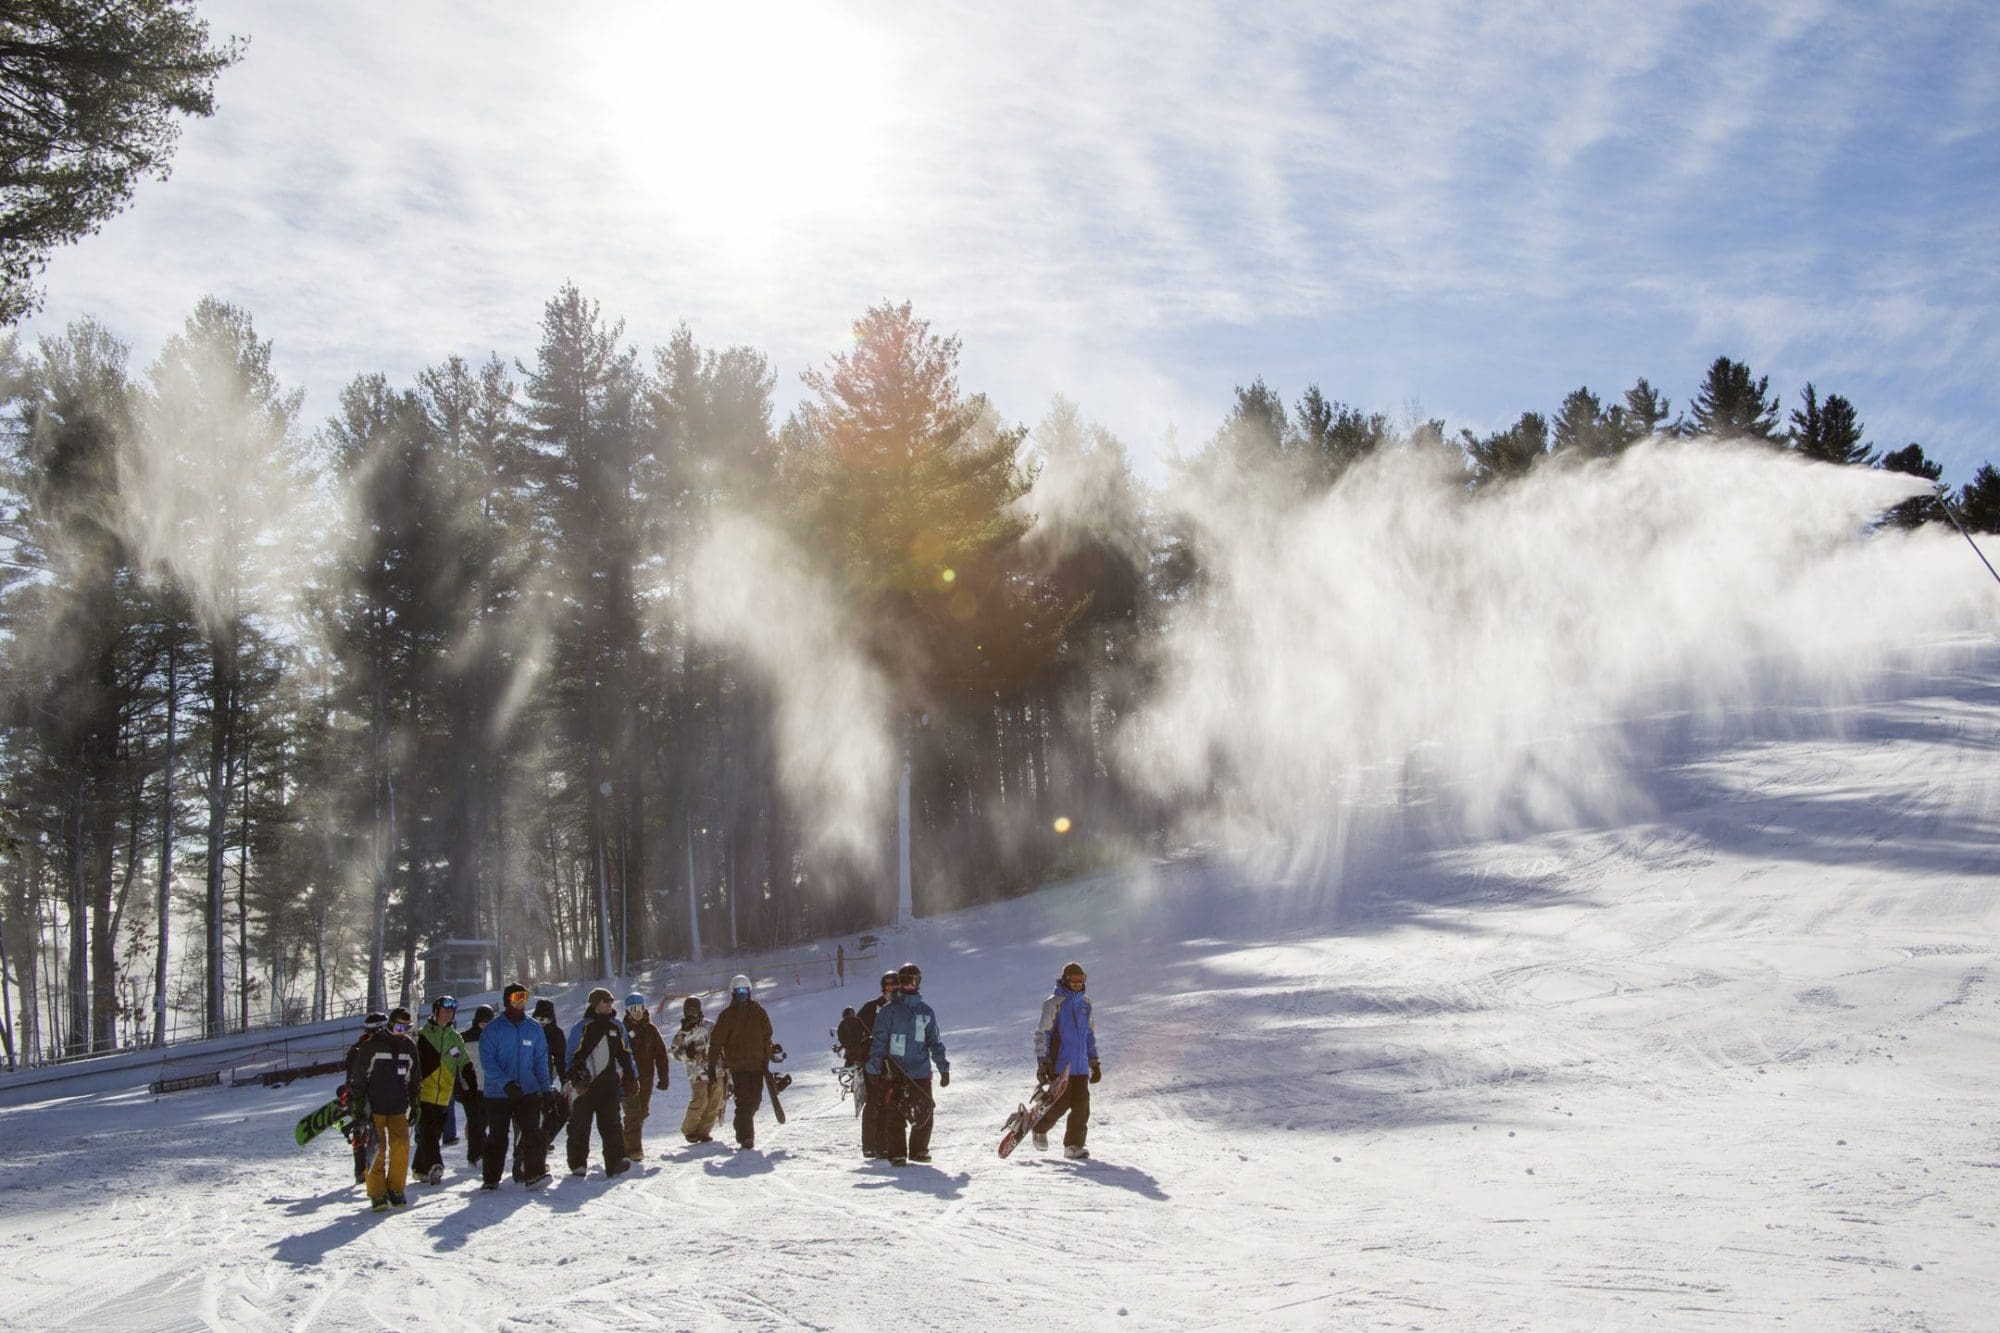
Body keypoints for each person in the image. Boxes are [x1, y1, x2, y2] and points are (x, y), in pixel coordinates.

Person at [866, 962, 949, 1166]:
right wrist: (874, 1067)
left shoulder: (925, 1012)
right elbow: (879, 1041)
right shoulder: (889, 1011)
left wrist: (943, 1067)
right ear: (900, 983)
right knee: (895, 1113)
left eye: (914, 980)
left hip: (919, 1070)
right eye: (905, 980)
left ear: (919, 982)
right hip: (896, 1070)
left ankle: (919, 1150)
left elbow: (934, 1042)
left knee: (925, 1109)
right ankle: (897, 1153)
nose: (909, 985)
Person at [479, 982, 553, 1190]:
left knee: (532, 1133)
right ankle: (491, 1178)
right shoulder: (494, 1029)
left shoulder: (534, 1028)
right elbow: (488, 1063)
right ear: (507, 1000)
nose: (521, 1002)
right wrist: (506, 1083)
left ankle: (534, 1174)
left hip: (527, 1091)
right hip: (498, 1094)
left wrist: (545, 1090)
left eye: (524, 997)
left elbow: (540, 1061)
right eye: (516, 998)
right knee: (498, 1136)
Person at [348, 1005, 423, 1210]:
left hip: (398, 1106)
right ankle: (377, 1193)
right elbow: (359, 1076)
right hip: (374, 1107)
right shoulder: (372, 1046)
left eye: (406, 1028)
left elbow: (414, 1077)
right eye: (399, 1027)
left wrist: (416, 1102)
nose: (403, 1032)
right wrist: (357, 1102)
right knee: (376, 1149)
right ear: (390, 1025)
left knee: (401, 1146)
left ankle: (396, 1188)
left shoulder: (409, 1047)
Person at [564, 987, 639, 1177]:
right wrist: (575, 1077)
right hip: (585, 1085)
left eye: (611, 1001)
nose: (609, 1004)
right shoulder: (582, 1026)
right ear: (595, 1004)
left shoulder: (616, 1026)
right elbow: (570, 1055)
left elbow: (626, 1054)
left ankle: (615, 1162)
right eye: (605, 1001)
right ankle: (578, 1163)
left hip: (608, 1085)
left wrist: (631, 1076)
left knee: (612, 1124)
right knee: (580, 1125)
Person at [1032, 960, 1101, 1159]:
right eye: (1075, 980)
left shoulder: (1086, 1004)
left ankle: (1073, 1146)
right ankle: (1040, 1127)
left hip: (1080, 1067)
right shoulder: (1054, 1003)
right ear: (1066, 980)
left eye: (1082, 979)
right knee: (1060, 1104)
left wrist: (1094, 1063)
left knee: (1082, 1106)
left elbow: (1089, 1035)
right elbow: (1042, 1033)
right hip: (1061, 1064)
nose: (1078, 983)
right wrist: (1043, 1061)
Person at [706, 974, 775, 1150]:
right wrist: (711, 1065)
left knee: (755, 1101)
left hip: (757, 1065)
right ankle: (747, 1137)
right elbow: (716, 1042)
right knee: (745, 1101)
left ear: (749, 992)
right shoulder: (727, 1016)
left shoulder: (758, 1012)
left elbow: (767, 1035)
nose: (742, 994)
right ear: (733, 993)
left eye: (745, 991)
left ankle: (740, 1123)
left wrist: (767, 1056)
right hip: (738, 1066)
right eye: (739, 991)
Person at [413, 995, 469, 1185]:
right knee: (428, 1131)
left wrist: (469, 1084)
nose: (448, 1014)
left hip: (444, 1094)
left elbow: (464, 1062)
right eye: (445, 1011)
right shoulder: (423, 1035)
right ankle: (435, 1165)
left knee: (435, 1133)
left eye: (451, 1011)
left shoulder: (455, 1037)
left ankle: (419, 1168)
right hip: (425, 1092)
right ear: (436, 1012)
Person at [847, 970, 897, 1159]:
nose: (892, 990)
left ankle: (887, 1144)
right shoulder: (871, 1008)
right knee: (874, 1102)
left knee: (892, 1104)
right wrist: (853, 1058)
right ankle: (870, 1145)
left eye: (895, 986)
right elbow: (853, 1033)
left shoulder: (903, 1008)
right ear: (883, 988)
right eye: (889, 986)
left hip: (897, 1063)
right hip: (874, 1063)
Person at [669, 995, 726, 1143]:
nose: (691, 1013)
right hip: (697, 1071)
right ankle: (689, 1129)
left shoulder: (710, 1025)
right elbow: (674, 1053)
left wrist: (725, 1061)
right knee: (701, 1100)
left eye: (694, 1010)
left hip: (715, 1068)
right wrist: (686, 1054)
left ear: (699, 1010)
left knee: (715, 1100)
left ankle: (704, 1131)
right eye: (688, 1011)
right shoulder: (682, 1033)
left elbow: (721, 1042)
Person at [338, 1012, 387, 1185]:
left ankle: (368, 1169)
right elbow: (352, 1076)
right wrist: (350, 1096)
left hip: (378, 1095)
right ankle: (362, 1171)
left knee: (373, 1132)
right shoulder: (359, 1049)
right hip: (362, 1097)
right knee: (361, 1131)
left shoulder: (383, 1046)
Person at [620, 992, 670, 1160]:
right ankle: (633, 1150)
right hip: (628, 1079)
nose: (637, 1012)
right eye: (633, 1009)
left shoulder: (651, 1030)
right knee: (633, 1113)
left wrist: (664, 1077)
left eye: (640, 1008)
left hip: (646, 1079)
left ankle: (622, 1143)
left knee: (642, 1112)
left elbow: (661, 1055)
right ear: (627, 1011)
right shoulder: (622, 1030)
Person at [532, 996, 570, 1170]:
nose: (542, 1023)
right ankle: (530, 1158)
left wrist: (565, 1081)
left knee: (557, 1113)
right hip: (527, 1084)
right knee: (531, 1120)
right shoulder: (528, 1030)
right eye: (539, 1019)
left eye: (546, 1019)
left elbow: (561, 1059)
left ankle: (542, 1143)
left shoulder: (556, 1034)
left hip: (546, 1083)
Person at [459, 1003, 494, 1167]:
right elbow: (456, 1062)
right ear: (476, 1021)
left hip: (489, 1087)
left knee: (484, 1121)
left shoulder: (495, 1038)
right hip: (470, 1088)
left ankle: (482, 1151)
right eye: (482, 1023)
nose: (485, 1026)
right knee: (476, 1123)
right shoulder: (464, 1038)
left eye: (488, 1023)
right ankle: (475, 1156)